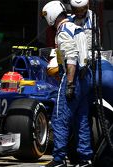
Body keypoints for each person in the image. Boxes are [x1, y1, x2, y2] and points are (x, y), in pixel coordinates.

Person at [41, 1, 93, 167]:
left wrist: (69, 84)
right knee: (82, 119)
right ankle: (85, 160)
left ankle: (58, 160)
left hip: (73, 78)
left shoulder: (63, 31)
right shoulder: (76, 28)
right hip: (86, 78)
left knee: (60, 118)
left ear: (51, 15)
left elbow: (71, 58)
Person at [69, 0, 113, 105]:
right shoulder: (68, 21)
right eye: (76, 10)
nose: (79, 13)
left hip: (93, 55)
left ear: (87, 6)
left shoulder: (92, 17)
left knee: (108, 79)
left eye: (82, 9)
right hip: (74, 58)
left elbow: (94, 43)